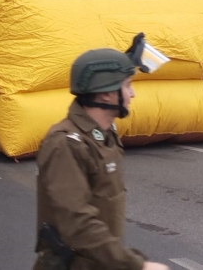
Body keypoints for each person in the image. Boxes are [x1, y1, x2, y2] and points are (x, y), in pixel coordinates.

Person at [33, 40, 169, 270]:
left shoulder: (105, 134)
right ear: (106, 94)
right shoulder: (65, 143)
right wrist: (136, 265)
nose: (132, 94)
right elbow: (77, 223)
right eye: (127, 85)